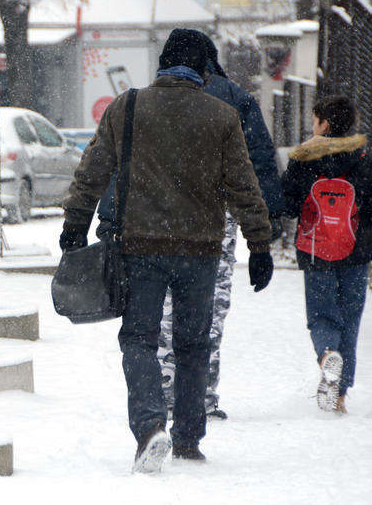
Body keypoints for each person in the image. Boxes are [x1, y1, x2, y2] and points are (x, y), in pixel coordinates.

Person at [60, 28, 275, 473]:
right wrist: (259, 244)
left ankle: (149, 426)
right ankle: (188, 439)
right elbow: (243, 185)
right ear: (203, 69)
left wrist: (75, 224)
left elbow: (93, 171)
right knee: (193, 345)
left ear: (162, 64)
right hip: (201, 250)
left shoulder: (129, 106)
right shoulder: (221, 115)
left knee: (139, 339)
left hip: (142, 248)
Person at [98, 32, 285, 420]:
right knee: (203, 323)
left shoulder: (136, 104)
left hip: (147, 225)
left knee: (148, 324)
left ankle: (160, 398)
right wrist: (264, 229)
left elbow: (115, 163)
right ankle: (200, 401)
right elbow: (254, 167)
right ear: (208, 64)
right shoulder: (233, 101)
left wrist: (104, 216)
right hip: (210, 226)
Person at [280, 95, 372, 413]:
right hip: (355, 252)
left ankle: (328, 355)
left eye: (315, 121)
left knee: (321, 315)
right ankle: (340, 396)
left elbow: (286, 205)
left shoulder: (304, 158)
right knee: (350, 320)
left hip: (316, 250)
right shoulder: (363, 158)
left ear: (324, 124)